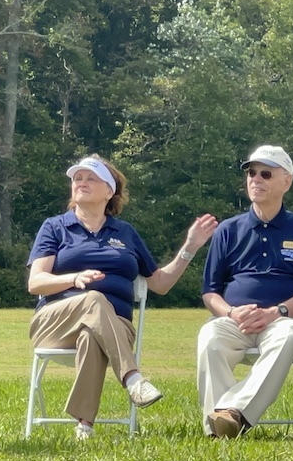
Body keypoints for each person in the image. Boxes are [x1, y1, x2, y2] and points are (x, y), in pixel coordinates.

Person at [27, 154, 218, 440]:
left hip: (114, 327)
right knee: (93, 299)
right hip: (55, 322)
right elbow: (36, 282)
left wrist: (189, 247)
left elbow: (161, 284)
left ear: (110, 190)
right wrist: (73, 279)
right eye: (77, 178)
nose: (81, 182)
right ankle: (133, 378)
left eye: (91, 178)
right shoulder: (55, 227)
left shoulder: (125, 232)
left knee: (92, 335)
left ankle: (85, 427)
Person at [196, 145, 293, 438]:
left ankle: (230, 415)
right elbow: (210, 292)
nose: (256, 179)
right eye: (251, 173)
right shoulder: (228, 230)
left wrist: (275, 312)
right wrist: (231, 312)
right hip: (235, 320)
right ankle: (220, 426)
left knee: (288, 336)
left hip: (285, 320)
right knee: (209, 337)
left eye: (266, 173)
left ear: (286, 181)